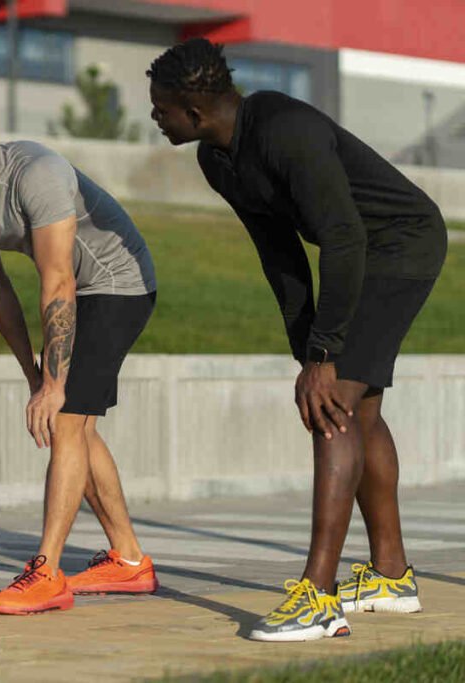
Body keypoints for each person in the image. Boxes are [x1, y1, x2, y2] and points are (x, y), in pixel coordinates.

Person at [147, 38, 446, 642]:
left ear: (195, 111)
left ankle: (319, 596)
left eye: (162, 109)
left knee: (330, 408)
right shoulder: (217, 159)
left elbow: (342, 239)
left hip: (401, 244)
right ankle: (390, 575)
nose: (155, 118)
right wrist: (306, 346)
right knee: (352, 407)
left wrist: (326, 356)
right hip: (361, 251)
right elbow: (277, 251)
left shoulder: (285, 130)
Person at [0, 94, 159, 615]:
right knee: (77, 426)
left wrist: (54, 383)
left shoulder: (37, 173)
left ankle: (47, 572)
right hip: (76, 293)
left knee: (67, 420)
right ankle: (130, 560)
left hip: (118, 282)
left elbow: (58, 278)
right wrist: (32, 370)